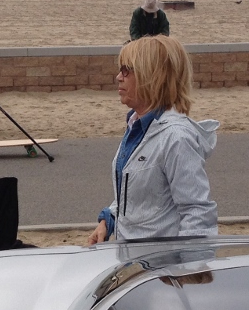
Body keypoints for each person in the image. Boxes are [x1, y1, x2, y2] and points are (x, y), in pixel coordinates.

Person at [87, 36, 219, 244]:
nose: (118, 77)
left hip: (161, 262)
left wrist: (187, 262)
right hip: (133, 258)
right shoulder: (137, 125)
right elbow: (141, 193)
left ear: (151, 76)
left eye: (126, 70)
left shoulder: (176, 138)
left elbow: (198, 213)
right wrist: (109, 219)